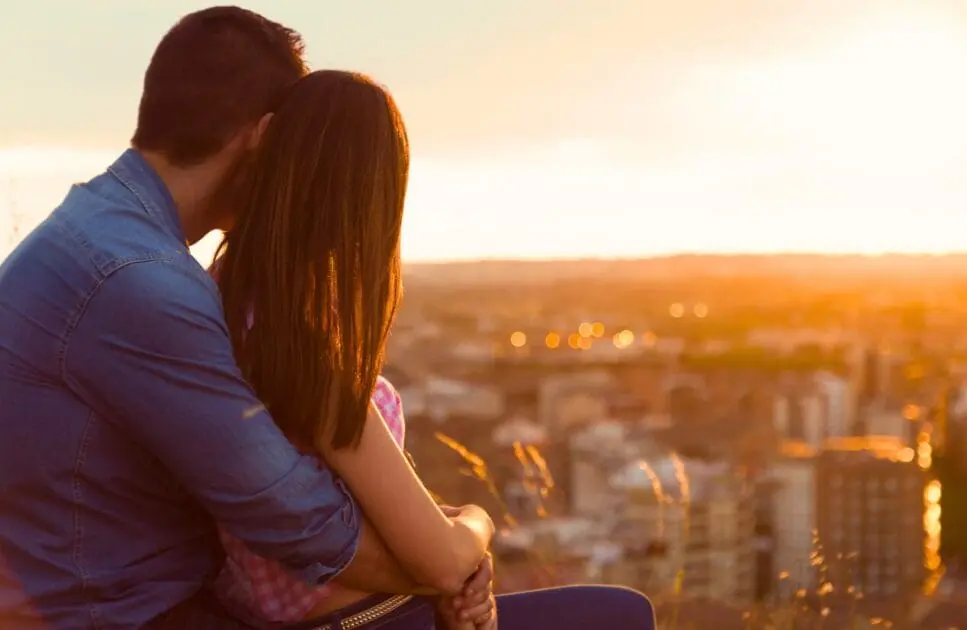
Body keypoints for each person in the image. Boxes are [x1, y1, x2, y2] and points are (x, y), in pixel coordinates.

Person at [0, 7, 656, 630]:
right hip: (123, 615)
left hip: (124, 598)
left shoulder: (101, 239)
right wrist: (457, 555)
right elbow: (300, 522)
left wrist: (450, 535)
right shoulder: (145, 285)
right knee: (617, 616)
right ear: (266, 138)